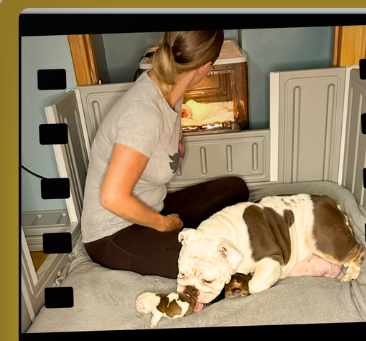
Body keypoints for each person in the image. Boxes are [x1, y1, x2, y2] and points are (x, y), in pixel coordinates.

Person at [81, 30, 250, 278]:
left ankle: (185, 238)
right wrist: (164, 225)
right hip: (113, 231)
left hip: (152, 206)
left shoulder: (171, 86)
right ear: (204, 69)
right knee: (204, 270)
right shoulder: (144, 114)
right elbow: (112, 198)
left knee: (234, 189)